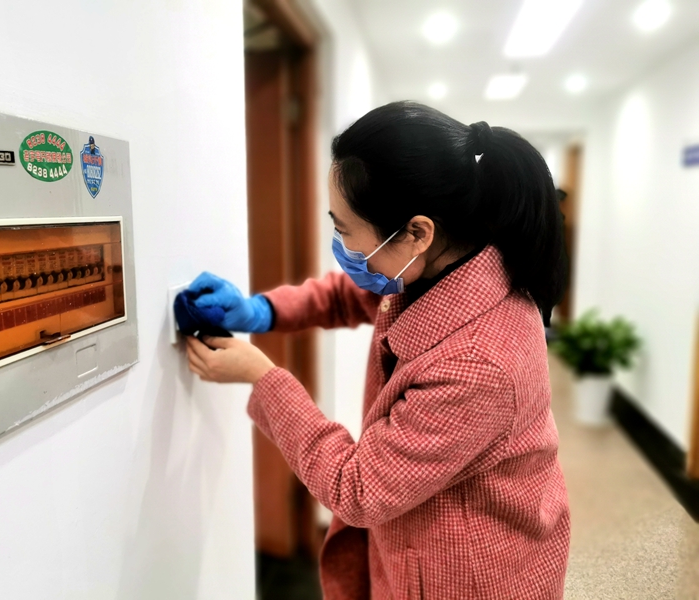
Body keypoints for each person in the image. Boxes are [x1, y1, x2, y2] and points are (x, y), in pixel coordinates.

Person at [185, 101, 570, 599]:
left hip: (469, 575)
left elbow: (357, 487)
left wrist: (264, 378)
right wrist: (261, 310)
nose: (342, 247)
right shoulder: (449, 260)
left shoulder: (479, 363)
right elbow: (354, 294)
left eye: (345, 230)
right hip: (427, 538)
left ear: (417, 232)